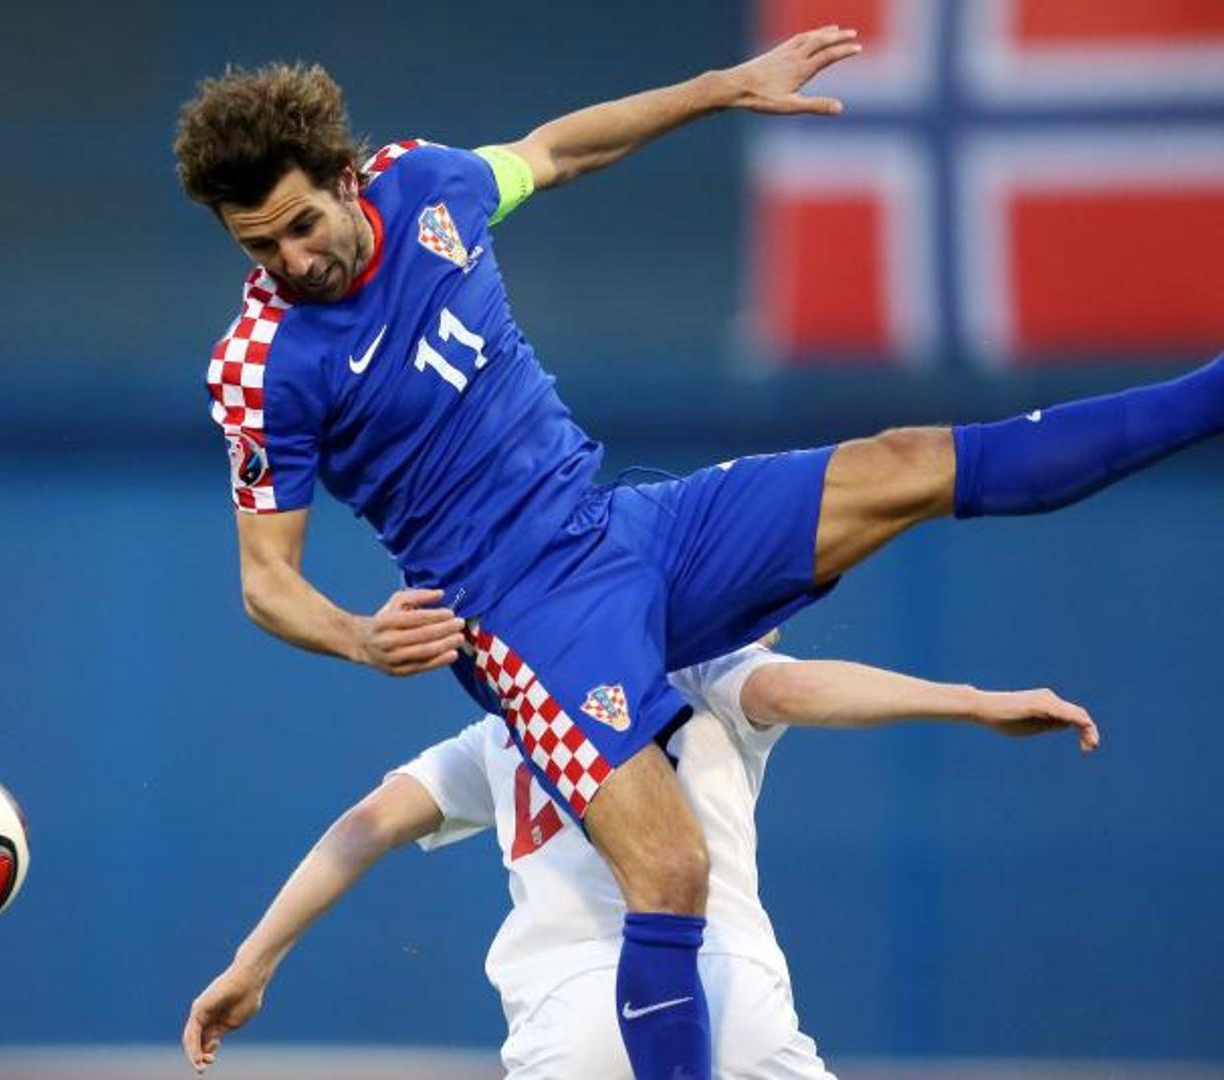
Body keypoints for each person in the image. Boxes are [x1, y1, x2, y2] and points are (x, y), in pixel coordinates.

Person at [175, 26, 1224, 1077]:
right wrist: (359, 638)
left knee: (905, 463)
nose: (292, 262)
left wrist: (724, 86)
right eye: (259, 247)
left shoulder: (423, 182)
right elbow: (266, 581)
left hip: (617, 532)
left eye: (301, 225)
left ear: (346, 176)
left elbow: (556, 149)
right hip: (517, 617)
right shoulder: (260, 366)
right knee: (672, 870)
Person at [182, 641, 1099, 1077]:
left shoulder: (503, 731)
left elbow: (364, 825)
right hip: (723, 998)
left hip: (573, 1022)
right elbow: (797, 688)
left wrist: (250, 964)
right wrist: (973, 699)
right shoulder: (708, 677)